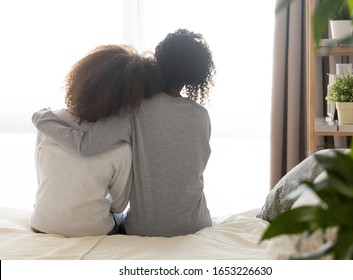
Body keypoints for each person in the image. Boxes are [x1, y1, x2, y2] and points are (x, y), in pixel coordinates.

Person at [32, 29, 216, 237]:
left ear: (159, 60)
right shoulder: (202, 116)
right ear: (197, 75)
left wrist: (41, 119)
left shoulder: (135, 109)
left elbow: (85, 146)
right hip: (198, 224)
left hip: (145, 229)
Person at [30, 44, 163, 237]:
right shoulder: (122, 147)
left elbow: (41, 178)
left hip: (41, 223)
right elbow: (119, 205)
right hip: (93, 230)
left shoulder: (48, 124)